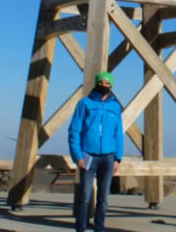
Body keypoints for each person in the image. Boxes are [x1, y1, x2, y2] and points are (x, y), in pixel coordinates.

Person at [68, 71, 124, 232]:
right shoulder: (84, 103)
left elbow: (118, 134)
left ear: (111, 86)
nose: (104, 85)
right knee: (85, 196)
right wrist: (77, 154)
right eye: (102, 82)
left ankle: (99, 228)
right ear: (96, 83)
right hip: (88, 155)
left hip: (108, 157)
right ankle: (81, 227)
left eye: (107, 83)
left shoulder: (115, 107)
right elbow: (74, 130)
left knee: (103, 197)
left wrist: (117, 158)